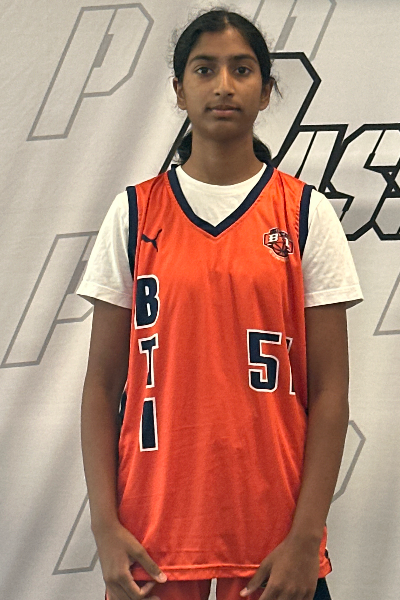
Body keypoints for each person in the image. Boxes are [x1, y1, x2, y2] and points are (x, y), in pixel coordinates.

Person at [77, 7, 363, 600]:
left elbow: (330, 390)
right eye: (205, 69)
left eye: (242, 69)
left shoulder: (305, 213)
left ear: (267, 90)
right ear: (179, 90)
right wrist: (104, 527)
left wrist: (306, 536)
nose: (224, 85)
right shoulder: (134, 213)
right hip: (153, 535)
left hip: (274, 538)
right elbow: (101, 385)